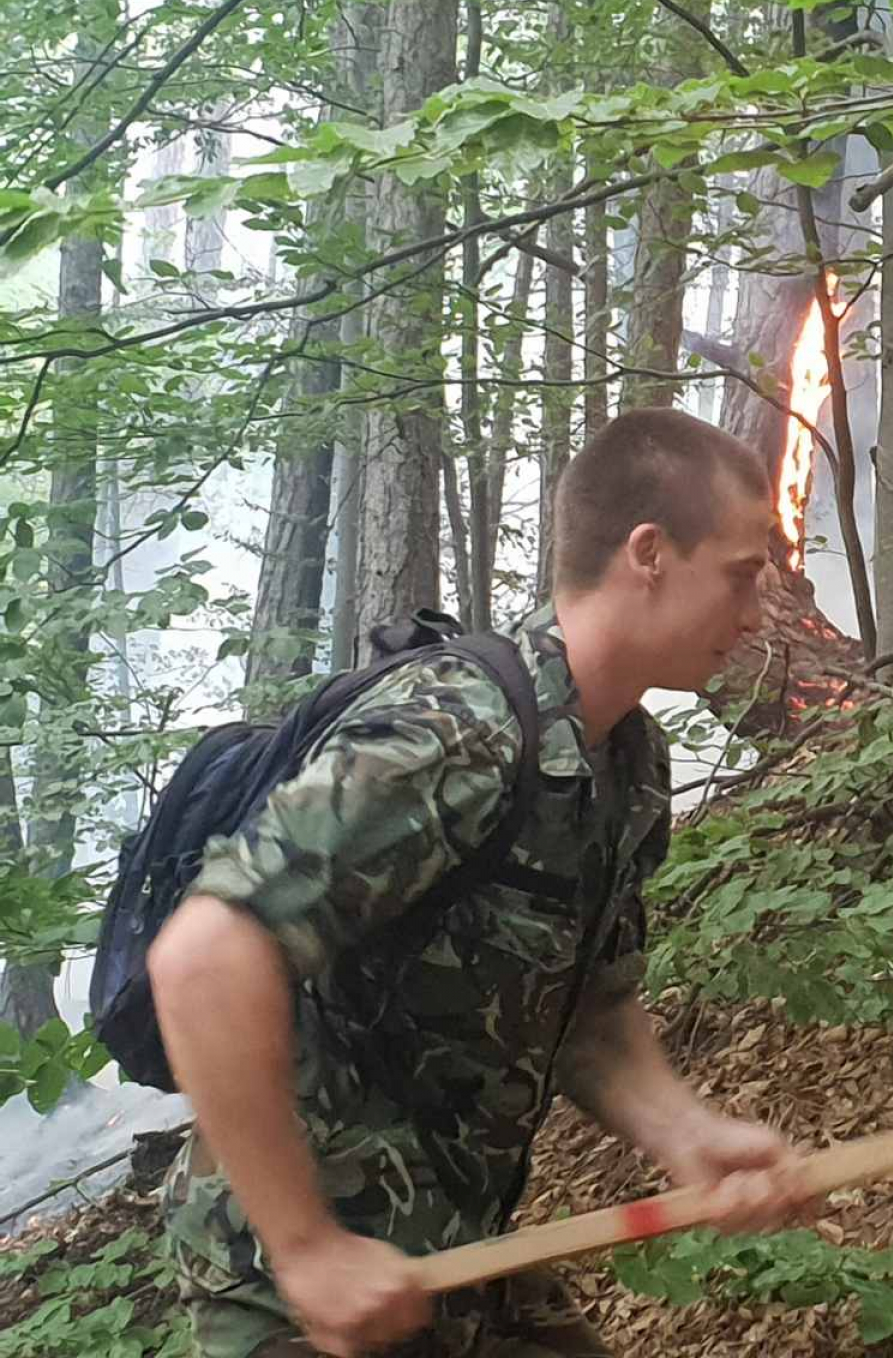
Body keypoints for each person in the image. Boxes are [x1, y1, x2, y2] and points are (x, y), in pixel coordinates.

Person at [148, 408, 805, 1358]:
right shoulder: (456, 733)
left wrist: (687, 1133)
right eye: (742, 578)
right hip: (293, 1284)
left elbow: (592, 1018)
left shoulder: (630, 764)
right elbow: (204, 958)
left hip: (453, 1244)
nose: (754, 618)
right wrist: (307, 1250)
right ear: (649, 552)